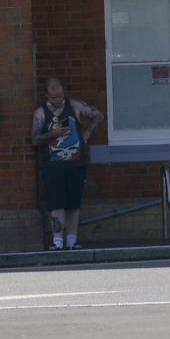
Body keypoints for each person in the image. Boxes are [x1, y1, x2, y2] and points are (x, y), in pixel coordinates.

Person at [29, 76, 102, 250]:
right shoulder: (40, 113)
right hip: (53, 165)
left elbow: (98, 115)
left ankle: (72, 239)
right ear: (46, 95)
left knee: (73, 203)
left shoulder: (74, 105)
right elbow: (35, 139)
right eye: (53, 97)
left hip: (76, 164)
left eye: (60, 96)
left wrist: (86, 135)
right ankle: (57, 241)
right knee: (56, 204)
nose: (57, 100)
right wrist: (53, 135)